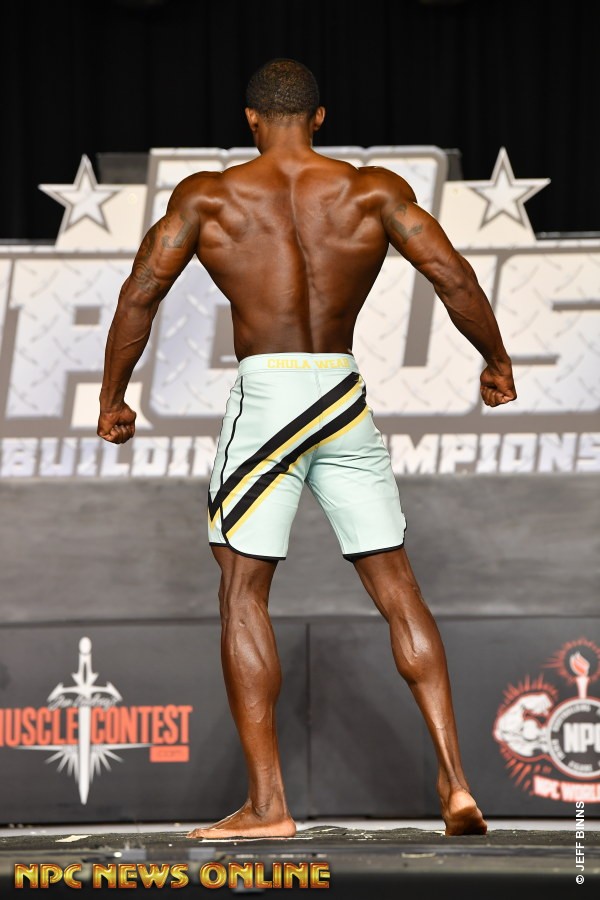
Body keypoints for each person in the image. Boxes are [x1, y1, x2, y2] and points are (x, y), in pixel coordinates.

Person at [98, 58, 516, 839]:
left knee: (242, 593)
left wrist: (113, 396)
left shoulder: (209, 197)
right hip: (342, 395)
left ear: (250, 120)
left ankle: (268, 806)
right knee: (398, 587)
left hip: (269, 399)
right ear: (320, 118)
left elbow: (141, 292)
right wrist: (495, 361)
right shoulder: (372, 191)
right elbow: (452, 275)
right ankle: (456, 782)